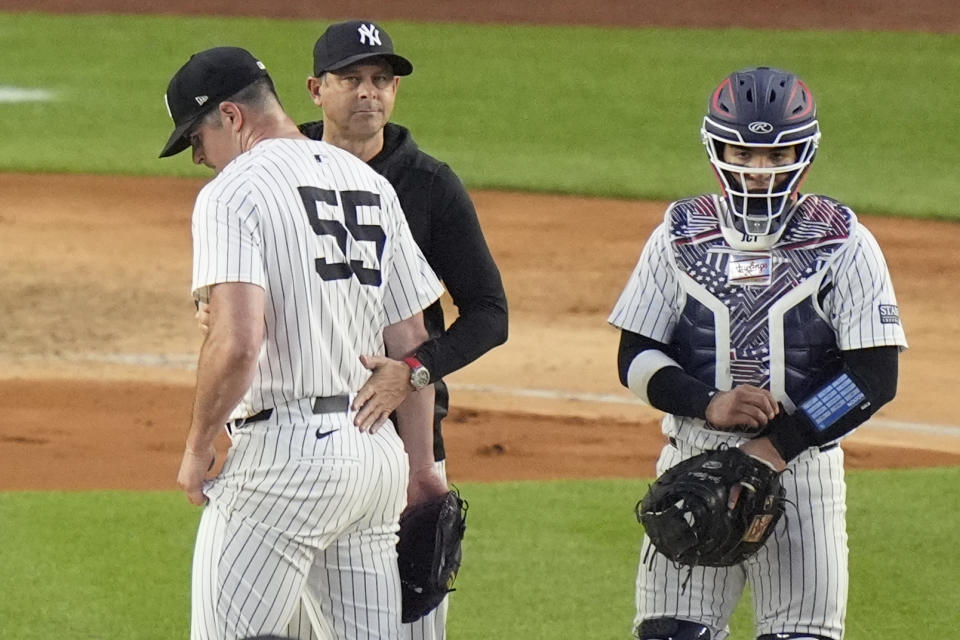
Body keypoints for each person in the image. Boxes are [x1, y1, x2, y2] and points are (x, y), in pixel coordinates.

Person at [609, 66, 907, 640]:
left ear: (805, 153)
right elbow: (635, 355)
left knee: (799, 635)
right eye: (743, 152)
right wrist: (709, 403)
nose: (759, 170)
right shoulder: (679, 233)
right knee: (670, 632)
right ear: (716, 148)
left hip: (801, 474)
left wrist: (776, 446)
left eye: (776, 155)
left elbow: (873, 377)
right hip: (694, 464)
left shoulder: (844, 241)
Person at [160, 46, 447, 639]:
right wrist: (421, 468)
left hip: (285, 461)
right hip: (375, 462)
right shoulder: (368, 182)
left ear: (232, 117)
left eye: (197, 138)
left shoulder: (233, 192)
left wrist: (196, 448)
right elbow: (413, 342)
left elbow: (237, 343)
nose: (197, 157)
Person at [287, 20, 509, 640]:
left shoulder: (430, 186)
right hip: (296, 436)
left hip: (403, 440)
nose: (369, 93)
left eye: (381, 80)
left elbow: (490, 313)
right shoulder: (277, 170)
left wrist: (413, 373)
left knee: (408, 627)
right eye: (351, 79)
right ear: (315, 88)